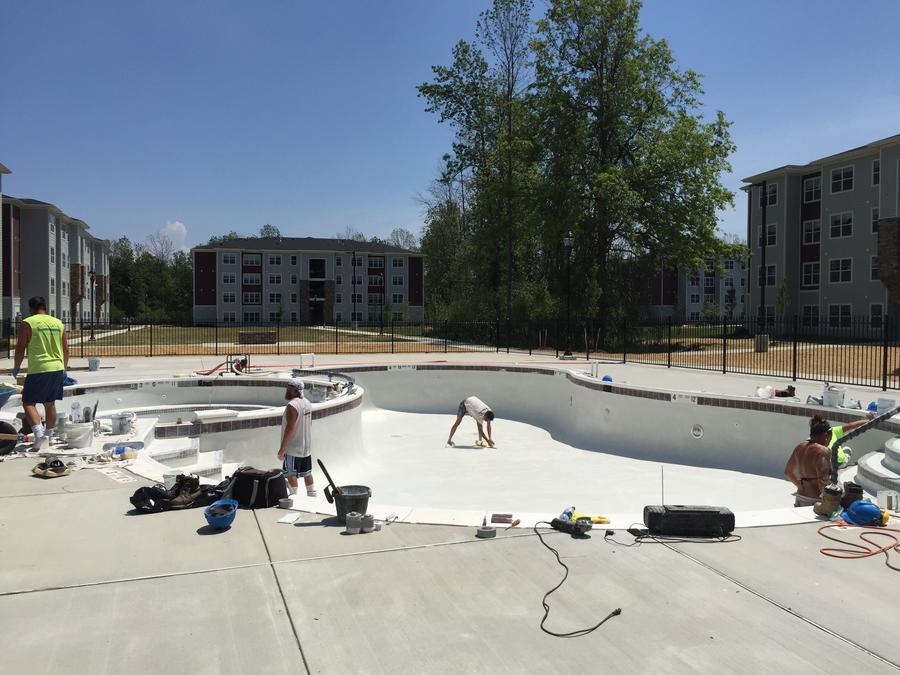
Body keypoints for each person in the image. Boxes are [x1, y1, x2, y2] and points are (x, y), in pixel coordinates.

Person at [12, 297, 69, 450]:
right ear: (45, 307)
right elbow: (65, 349)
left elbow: (20, 348)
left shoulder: (28, 323)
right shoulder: (58, 323)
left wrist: (16, 367)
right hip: (57, 367)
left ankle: (38, 436)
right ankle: (48, 437)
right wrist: (64, 368)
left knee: (28, 402)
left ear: (31, 308)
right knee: (50, 403)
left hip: (39, 368)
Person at [277, 377, 316, 497]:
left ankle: (294, 496)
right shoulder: (308, 403)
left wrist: (282, 449)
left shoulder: (292, 405)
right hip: (306, 447)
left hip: (293, 448)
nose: (286, 390)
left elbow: (290, 428)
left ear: (295, 390)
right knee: (307, 473)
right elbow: (309, 423)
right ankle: (312, 495)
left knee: (290, 473)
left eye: (289, 389)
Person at [784, 415, 833, 507]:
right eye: (830, 438)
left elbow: (788, 472)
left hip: (800, 496)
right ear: (826, 435)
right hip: (814, 501)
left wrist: (800, 486)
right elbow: (823, 481)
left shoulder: (799, 447)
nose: (829, 442)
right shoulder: (823, 451)